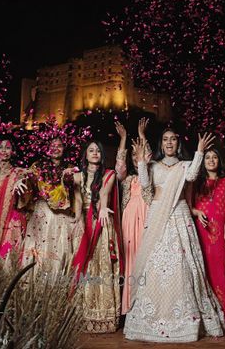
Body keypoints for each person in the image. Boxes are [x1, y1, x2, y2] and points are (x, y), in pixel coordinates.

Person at [124, 130, 224, 342]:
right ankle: (150, 319)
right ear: (161, 144)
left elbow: (191, 177)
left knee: (181, 264)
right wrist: (142, 161)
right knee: (154, 265)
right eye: (166, 139)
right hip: (158, 214)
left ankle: (185, 322)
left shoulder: (184, 165)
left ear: (178, 143)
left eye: (173, 138)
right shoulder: (153, 166)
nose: (169, 142)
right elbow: (145, 185)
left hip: (179, 215)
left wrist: (199, 152)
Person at [71, 140, 121, 333]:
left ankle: (104, 315)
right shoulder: (76, 177)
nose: (94, 153)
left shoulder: (109, 174)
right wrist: (76, 220)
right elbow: (77, 201)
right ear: (85, 154)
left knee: (101, 266)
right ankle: (81, 314)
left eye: (98, 151)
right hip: (84, 222)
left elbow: (104, 192)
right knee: (84, 264)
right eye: (91, 150)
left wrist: (101, 209)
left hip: (101, 221)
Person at [191, 147, 225, 324]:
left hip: (221, 231)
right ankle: (207, 313)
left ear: (219, 160)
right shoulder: (196, 182)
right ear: (202, 162)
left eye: (214, 157)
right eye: (207, 158)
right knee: (203, 269)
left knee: (222, 269)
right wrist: (196, 212)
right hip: (201, 231)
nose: (211, 160)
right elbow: (188, 204)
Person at [19, 137, 76, 278]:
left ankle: (54, 286)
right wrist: (23, 178)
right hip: (41, 212)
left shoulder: (70, 167)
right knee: (38, 246)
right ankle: (32, 283)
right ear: (46, 149)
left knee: (59, 248)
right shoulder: (37, 166)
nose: (56, 148)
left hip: (62, 215)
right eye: (52, 145)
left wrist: (69, 181)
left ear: (64, 149)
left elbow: (75, 193)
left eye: (60, 145)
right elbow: (28, 190)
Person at [114, 119, 153, 314]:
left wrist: (142, 135)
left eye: (141, 156)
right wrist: (123, 139)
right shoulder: (126, 179)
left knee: (146, 260)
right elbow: (119, 166)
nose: (138, 159)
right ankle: (130, 307)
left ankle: (147, 306)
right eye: (134, 157)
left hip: (146, 220)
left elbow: (147, 157)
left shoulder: (151, 175)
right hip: (128, 223)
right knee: (131, 262)